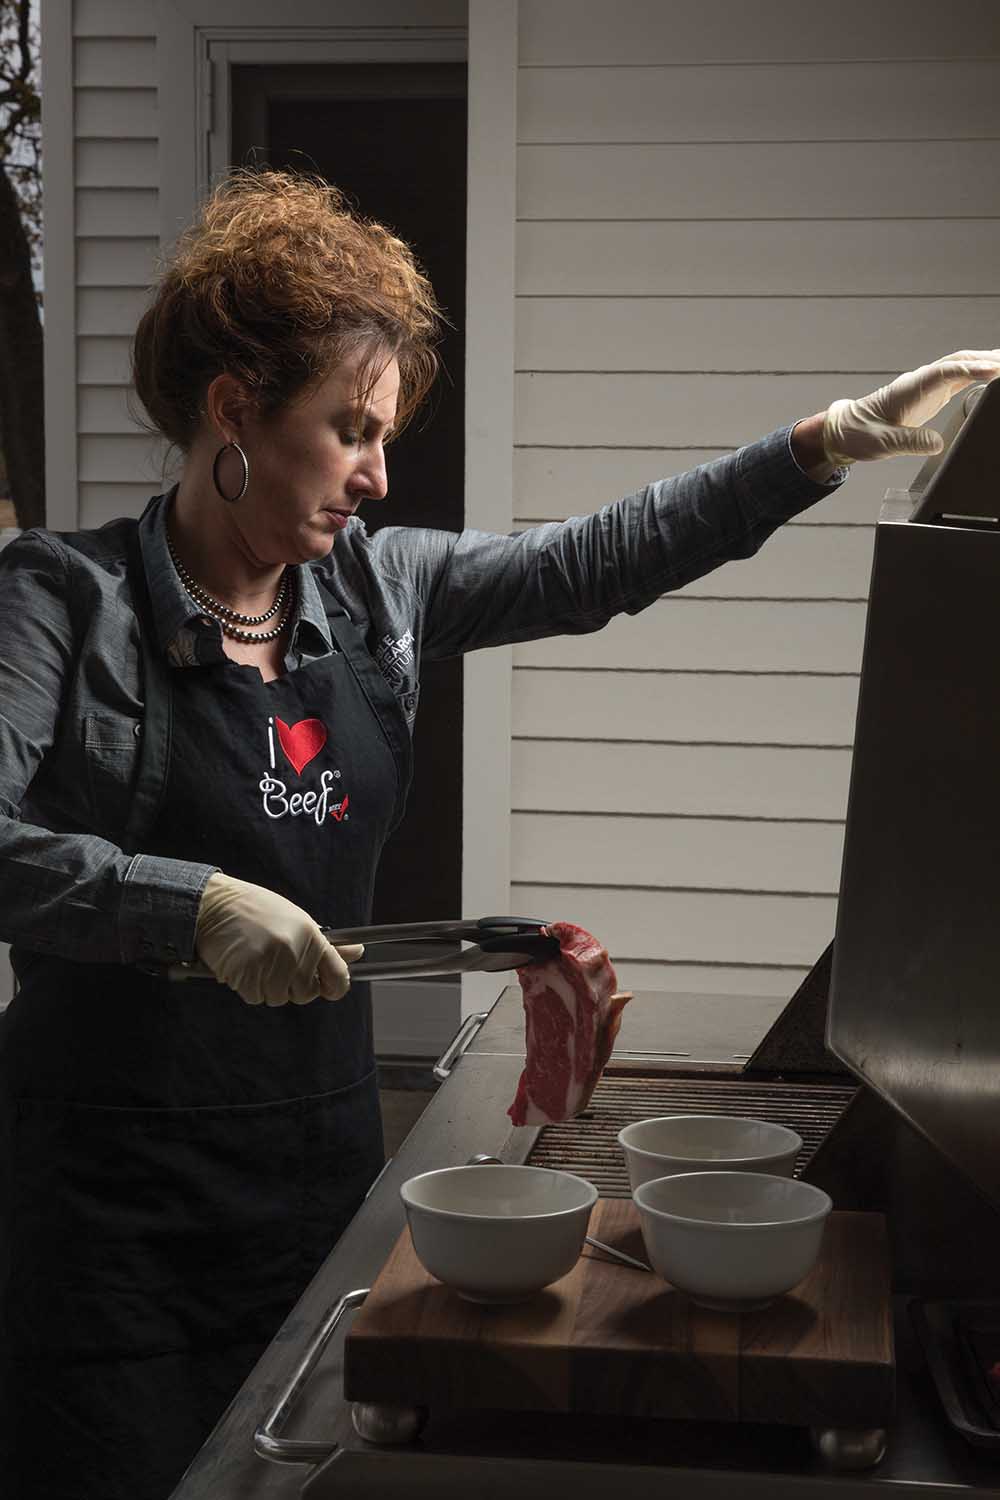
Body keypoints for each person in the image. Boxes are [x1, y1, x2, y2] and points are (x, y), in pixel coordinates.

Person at [0, 166, 996, 1500]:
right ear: (233, 413)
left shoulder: (375, 597)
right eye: (351, 429)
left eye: (387, 433)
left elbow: (591, 563)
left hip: (317, 1185)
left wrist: (813, 448)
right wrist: (188, 906)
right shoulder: (64, 605)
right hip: (102, 1228)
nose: (379, 474)